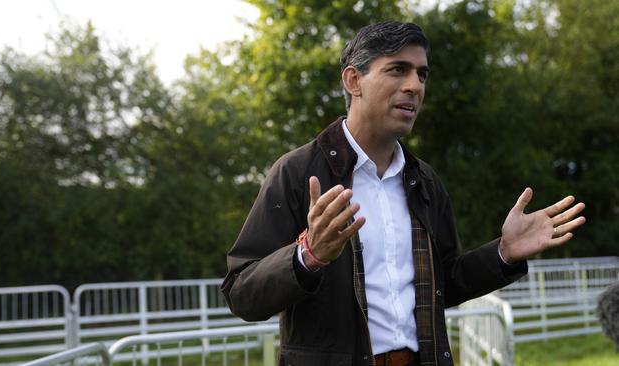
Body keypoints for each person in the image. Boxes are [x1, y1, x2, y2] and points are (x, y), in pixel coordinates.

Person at [222, 21, 586, 366]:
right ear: (354, 80)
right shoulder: (298, 172)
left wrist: (503, 254)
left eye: (422, 74)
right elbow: (241, 294)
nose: (415, 85)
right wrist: (307, 256)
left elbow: (444, 285)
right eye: (398, 69)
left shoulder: (425, 181)